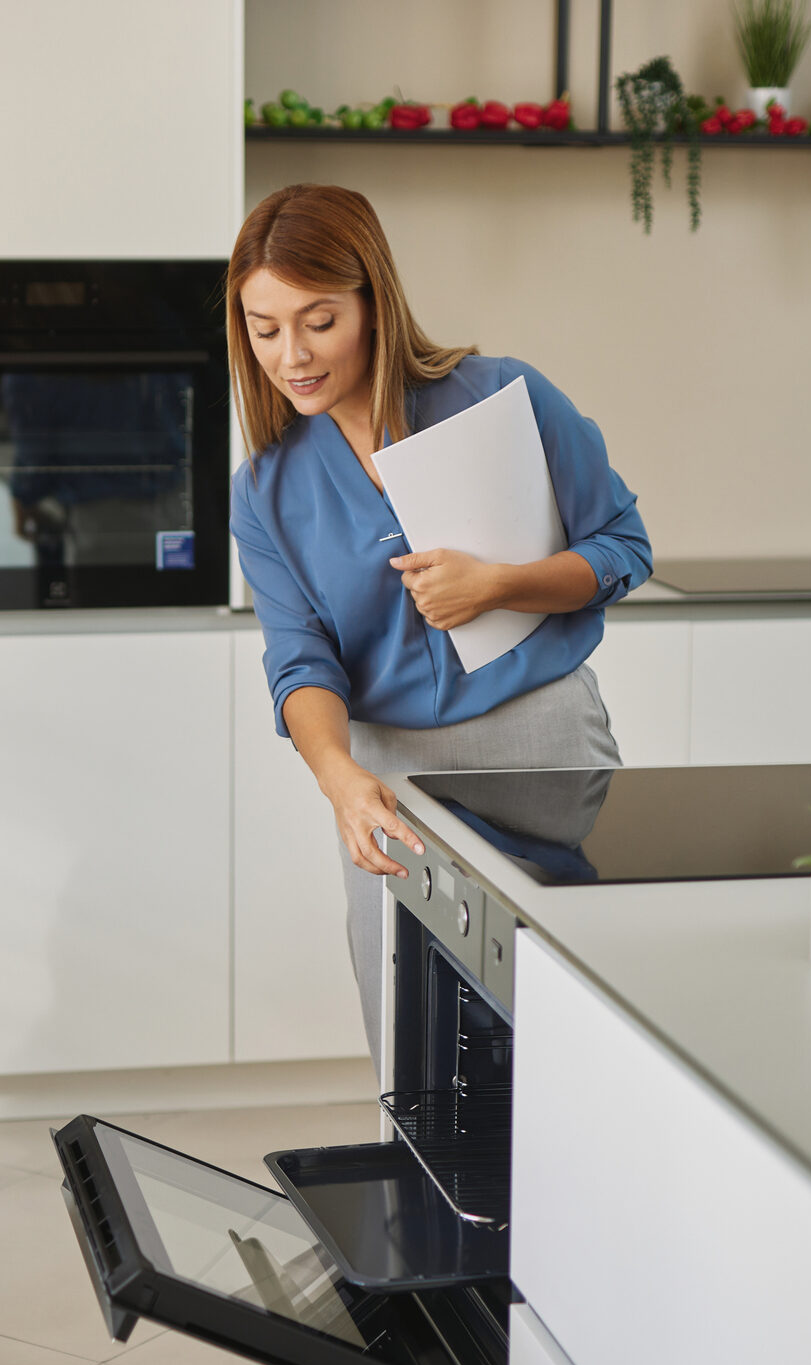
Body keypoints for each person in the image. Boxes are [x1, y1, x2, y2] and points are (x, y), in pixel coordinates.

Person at [227, 184, 653, 1071]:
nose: (290, 356)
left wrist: (503, 584)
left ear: (373, 305)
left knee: (572, 1035)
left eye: (318, 321)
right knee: (413, 1047)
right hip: (388, 781)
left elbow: (624, 547)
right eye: (264, 330)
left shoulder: (502, 396)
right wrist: (338, 777)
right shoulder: (265, 488)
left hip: (545, 750)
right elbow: (299, 660)